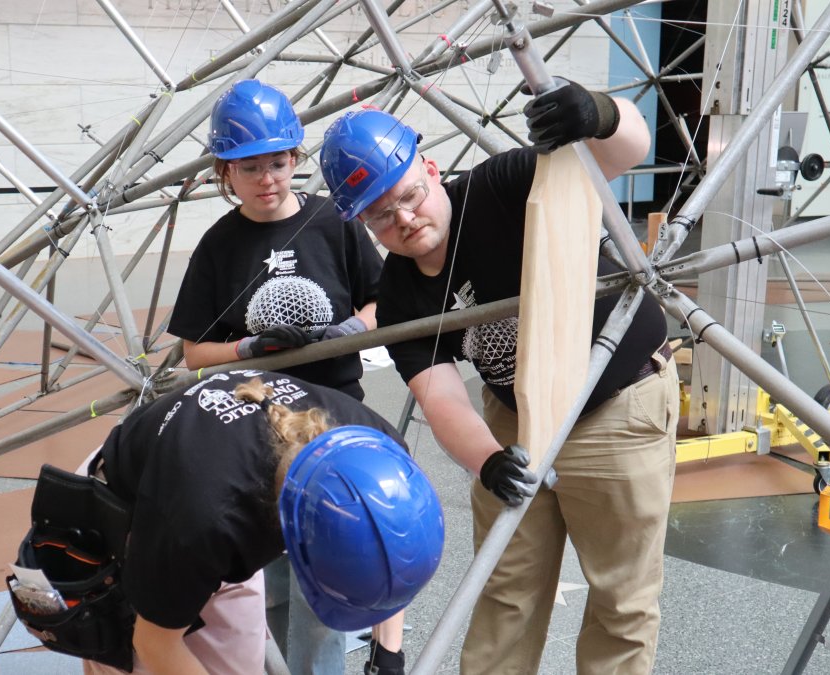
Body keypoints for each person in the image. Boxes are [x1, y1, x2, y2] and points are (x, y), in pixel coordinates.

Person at [320, 80, 677, 675]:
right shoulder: (402, 295)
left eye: (409, 194)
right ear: (363, 225)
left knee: (622, 599)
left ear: (429, 167)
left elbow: (625, 151)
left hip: (616, 406)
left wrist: (600, 112)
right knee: (506, 590)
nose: (404, 219)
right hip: (516, 419)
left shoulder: (504, 184)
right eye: (381, 216)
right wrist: (488, 460)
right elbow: (440, 397)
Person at [167, 78, 385, 673]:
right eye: (249, 167)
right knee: (269, 581)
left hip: (331, 420)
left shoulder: (334, 223)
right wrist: (247, 347)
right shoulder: (217, 246)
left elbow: (380, 301)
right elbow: (194, 353)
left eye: (278, 162)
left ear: (295, 158)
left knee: (325, 577)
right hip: (256, 432)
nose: (267, 178)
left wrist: (349, 331)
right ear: (225, 172)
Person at [65, 370, 443, 675]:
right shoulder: (208, 519)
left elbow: (390, 557)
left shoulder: (377, 449)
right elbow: (154, 643)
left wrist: (388, 657)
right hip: (124, 513)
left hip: (211, 497)